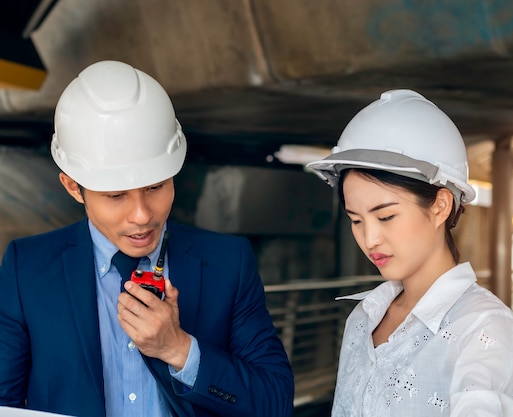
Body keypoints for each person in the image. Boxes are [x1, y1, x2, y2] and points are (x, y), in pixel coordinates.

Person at [0, 60, 294, 417]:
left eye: (155, 186)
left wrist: (180, 350)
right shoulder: (27, 267)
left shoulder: (227, 262)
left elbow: (275, 402)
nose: (142, 215)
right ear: (73, 187)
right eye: (115, 195)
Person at [307, 89, 513, 416]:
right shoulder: (362, 319)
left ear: (441, 205)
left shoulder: (482, 327)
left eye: (386, 216)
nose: (369, 238)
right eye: (355, 220)